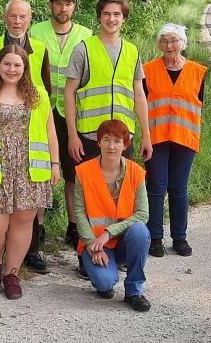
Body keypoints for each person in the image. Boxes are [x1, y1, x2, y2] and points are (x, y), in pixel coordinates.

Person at [63, 0, 153, 278]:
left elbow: (139, 93)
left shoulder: (132, 51)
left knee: (118, 197)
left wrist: (146, 135)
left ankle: (120, 249)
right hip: (90, 136)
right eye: (106, 14)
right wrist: (72, 135)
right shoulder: (84, 49)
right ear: (99, 16)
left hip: (121, 138)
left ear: (124, 19)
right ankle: (86, 250)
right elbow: (69, 92)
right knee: (89, 199)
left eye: (117, 14)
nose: (111, 19)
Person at [0, 45, 60, 300]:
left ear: (25, 68)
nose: (12, 69)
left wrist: (55, 164)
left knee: (22, 223)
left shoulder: (38, 95)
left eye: (17, 65)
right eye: (7, 64)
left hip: (30, 169)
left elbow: (50, 132)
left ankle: (12, 274)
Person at [0, 0, 53, 273]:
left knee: (24, 217)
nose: (17, 21)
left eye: (23, 16)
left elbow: (46, 91)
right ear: (5, 17)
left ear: (30, 19)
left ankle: (21, 262)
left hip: (30, 142)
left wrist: (53, 160)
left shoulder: (41, 49)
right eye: (13, 16)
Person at [30, 0, 93, 249]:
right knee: (41, 170)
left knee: (73, 173)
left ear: (74, 7)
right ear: (50, 6)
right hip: (41, 110)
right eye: (58, 3)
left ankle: (74, 226)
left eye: (68, 4)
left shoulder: (86, 35)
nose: (63, 8)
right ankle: (38, 227)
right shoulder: (36, 31)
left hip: (72, 112)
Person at [142, 23, 207, 258]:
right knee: (156, 187)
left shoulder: (198, 71)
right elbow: (141, 105)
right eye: (165, 41)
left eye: (174, 40)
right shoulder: (147, 70)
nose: (169, 45)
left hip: (184, 139)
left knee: (178, 188)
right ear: (159, 44)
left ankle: (180, 238)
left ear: (182, 43)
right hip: (156, 138)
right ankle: (155, 238)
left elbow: (200, 105)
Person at [74, 119, 151, 312]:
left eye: (117, 141)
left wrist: (109, 232)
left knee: (140, 231)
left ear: (125, 145)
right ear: (98, 142)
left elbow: (142, 214)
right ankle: (105, 278)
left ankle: (134, 291)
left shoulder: (136, 173)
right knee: (104, 283)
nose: (111, 146)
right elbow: (80, 213)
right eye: (106, 140)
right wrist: (92, 244)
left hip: (124, 240)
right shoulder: (83, 172)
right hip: (96, 244)